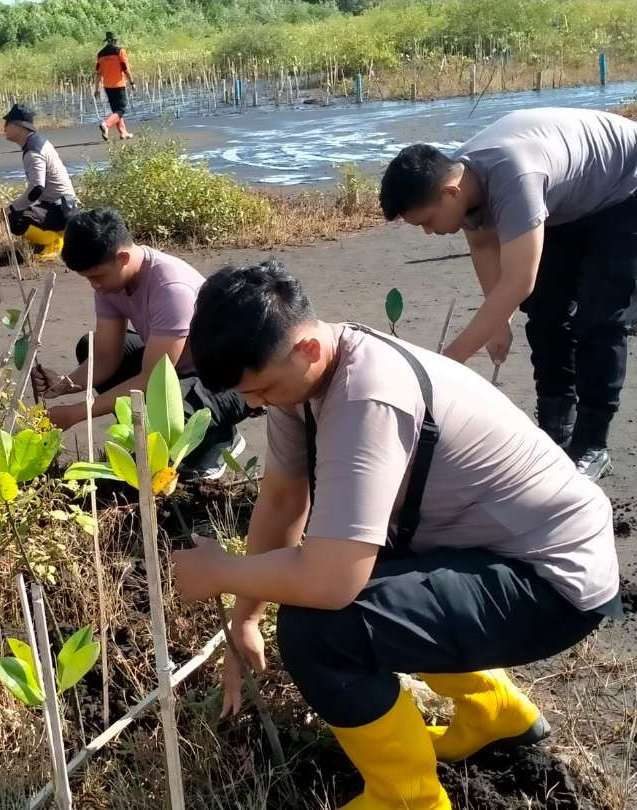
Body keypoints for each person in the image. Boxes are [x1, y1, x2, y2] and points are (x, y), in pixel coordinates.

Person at [171, 262, 620, 809]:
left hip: (553, 583)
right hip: (498, 553)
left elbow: (333, 582)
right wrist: (245, 616)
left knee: (319, 629)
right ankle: (495, 710)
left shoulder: (367, 396)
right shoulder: (304, 379)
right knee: (365, 573)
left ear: (306, 349)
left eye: (263, 388)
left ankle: (407, 798)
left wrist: (221, 571)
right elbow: (286, 498)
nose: (261, 403)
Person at [379, 108, 637, 481]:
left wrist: (449, 361)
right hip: (568, 198)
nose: (428, 233)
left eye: (427, 222)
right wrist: (498, 323)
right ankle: (555, 433)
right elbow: (485, 247)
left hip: (625, 185)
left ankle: (592, 446)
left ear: (450, 193)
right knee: (547, 315)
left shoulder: (514, 178)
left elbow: (518, 282)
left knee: (598, 320)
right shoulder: (462, 183)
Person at [34, 208, 253, 478]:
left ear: (123, 257)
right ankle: (150, 431)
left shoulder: (170, 287)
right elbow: (105, 358)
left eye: (97, 276)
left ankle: (218, 442)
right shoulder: (111, 282)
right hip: (176, 366)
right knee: (88, 346)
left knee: (162, 411)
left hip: (229, 378)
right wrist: (63, 385)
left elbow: (151, 380)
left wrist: (75, 414)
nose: (95, 287)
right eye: (88, 278)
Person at [1, 103, 79, 256]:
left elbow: (37, 189)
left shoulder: (33, 151)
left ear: (19, 126)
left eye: (7, 124)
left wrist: (10, 208)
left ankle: (54, 242)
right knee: (21, 209)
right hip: (63, 206)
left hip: (63, 210)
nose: (4, 128)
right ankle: (55, 237)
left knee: (14, 218)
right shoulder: (37, 142)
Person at [94, 31, 135, 142]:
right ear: (114, 40)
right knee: (121, 109)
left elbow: (98, 73)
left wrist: (96, 89)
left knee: (116, 111)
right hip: (119, 85)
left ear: (107, 41)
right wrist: (132, 82)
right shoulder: (120, 51)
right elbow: (125, 69)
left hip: (107, 86)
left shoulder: (100, 54)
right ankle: (106, 125)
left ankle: (123, 132)